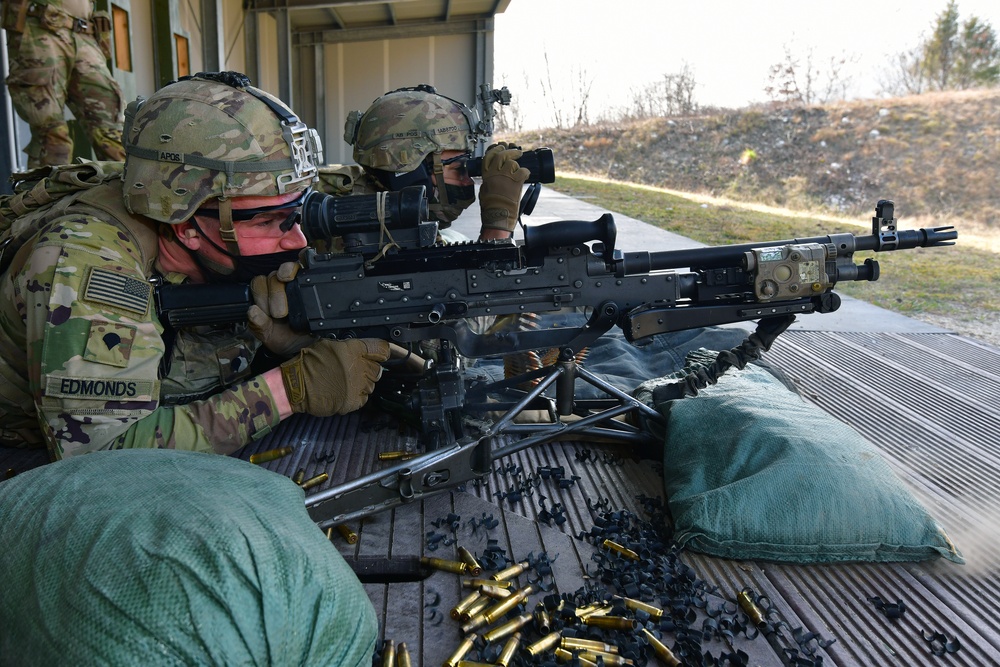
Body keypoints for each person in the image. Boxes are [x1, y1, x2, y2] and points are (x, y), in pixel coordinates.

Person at [0, 71, 388, 460]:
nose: (297, 240)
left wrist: (284, 344)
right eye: (270, 222)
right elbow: (102, 458)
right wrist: (288, 390)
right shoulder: (88, 263)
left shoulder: (201, 216)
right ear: (185, 226)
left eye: (296, 215)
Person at [323, 84, 529, 241]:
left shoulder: (410, 226)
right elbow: (474, 287)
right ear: (407, 173)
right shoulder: (352, 232)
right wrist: (498, 224)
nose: (468, 182)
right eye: (459, 168)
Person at [2, 0, 126, 167]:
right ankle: (45, 192)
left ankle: (128, 191)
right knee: (52, 136)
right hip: (41, 26)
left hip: (86, 33)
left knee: (114, 133)